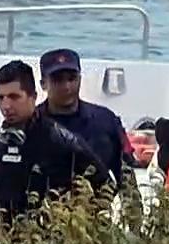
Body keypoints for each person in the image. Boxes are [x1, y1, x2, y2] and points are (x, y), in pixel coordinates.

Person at [0, 59, 109, 221]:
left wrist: (79, 223)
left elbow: (104, 184)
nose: (6, 106)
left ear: (33, 97)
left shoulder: (57, 138)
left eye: (14, 97)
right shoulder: (1, 141)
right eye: (1, 97)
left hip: (51, 232)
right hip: (10, 232)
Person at [38, 48, 136, 190]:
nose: (66, 86)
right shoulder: (31, 124)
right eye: (58, 80)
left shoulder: (106, 121)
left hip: (99, 201)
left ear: (80, 79)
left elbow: (127, 175)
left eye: (72, 78)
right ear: (43, 84)